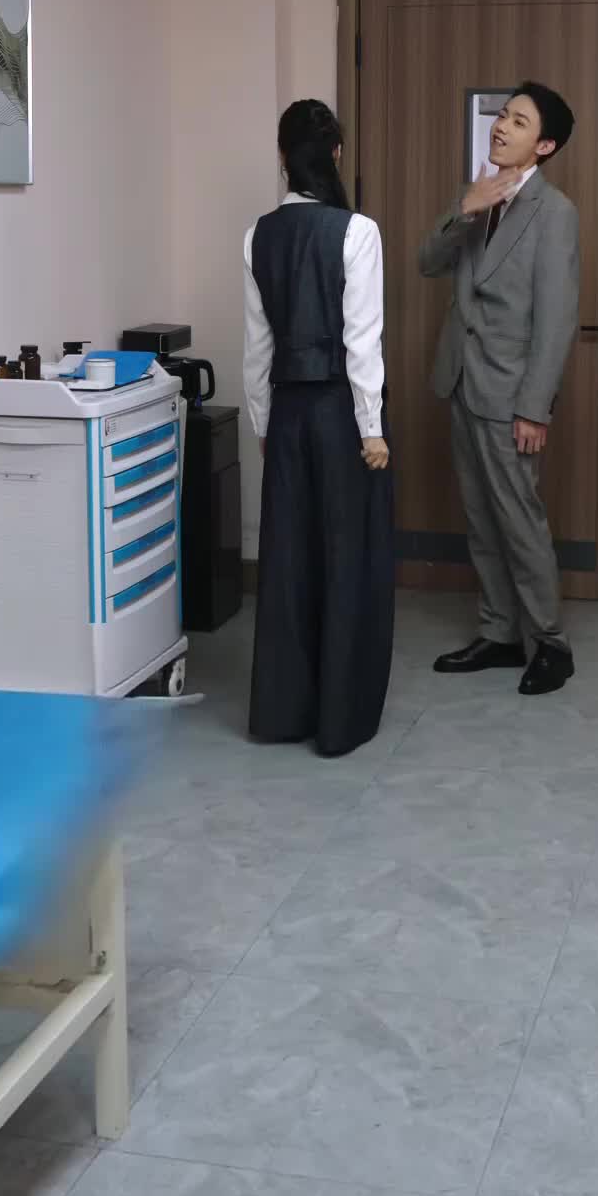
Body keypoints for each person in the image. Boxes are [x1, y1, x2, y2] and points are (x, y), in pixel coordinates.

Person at [418, 82, 580, 697]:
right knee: (481, 519)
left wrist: (535, 408)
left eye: (518, 122)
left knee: (519, 521)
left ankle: (551, 643)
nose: (501, 127)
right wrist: (465, 208)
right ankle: (499, 633)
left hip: (511, 395)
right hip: (463, 381)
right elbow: (428, 263)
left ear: (544, 145)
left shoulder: (554, 213)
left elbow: (556, 319)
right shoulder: (478, 196)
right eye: (502, 116)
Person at [243, 100, 394, 757]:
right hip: (341, 415)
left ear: (282, 157)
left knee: (288, 562)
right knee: (346, 556)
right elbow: (362, 341)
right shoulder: (357, 231)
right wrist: (373, 428)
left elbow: (257, 347)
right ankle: (340, 722)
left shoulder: (257, 236)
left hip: (287, 414)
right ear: (336, 154)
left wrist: (263, 423)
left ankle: (283, 713)